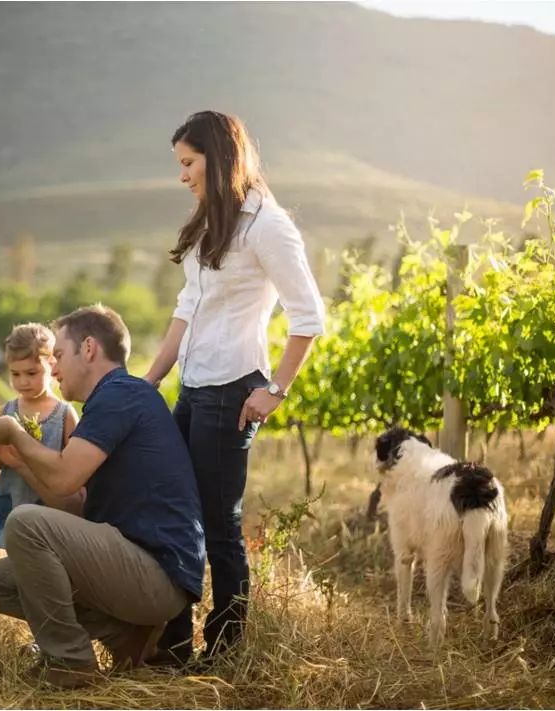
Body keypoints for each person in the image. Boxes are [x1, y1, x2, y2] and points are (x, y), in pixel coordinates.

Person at [143, 110, 326, 666]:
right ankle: (172, 645)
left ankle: (224, 652)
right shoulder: (210, 222)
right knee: (175, 511)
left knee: (219, 525)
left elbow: (309, 316)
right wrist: (150, 379)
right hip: (194, 387)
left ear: (218, 158)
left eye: (189, 163)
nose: (183, 176)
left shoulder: (267, 225)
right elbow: (187, 308)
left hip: (233, 389)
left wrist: (276, 389)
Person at [0, 305, 205, 688]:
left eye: (59, 356)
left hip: (157, 575)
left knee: (24, 523)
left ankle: (71, 662)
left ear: (89, 348)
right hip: (132, 567)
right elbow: (71, 502)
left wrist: (17, 433)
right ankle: (124, 635)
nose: (53, 369)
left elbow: (64, 478)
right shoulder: (113, 400)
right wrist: (19, 461)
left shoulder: (119, 394)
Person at [0, 323, 81, 625]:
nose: (23, 382)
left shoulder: (64, 413)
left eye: (31, 373)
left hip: (42, 503)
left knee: (32, 569)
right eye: (15, 374)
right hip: (7, 497)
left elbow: (73, 463)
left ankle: (41, 632)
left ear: (51, 365)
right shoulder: (9, 408)